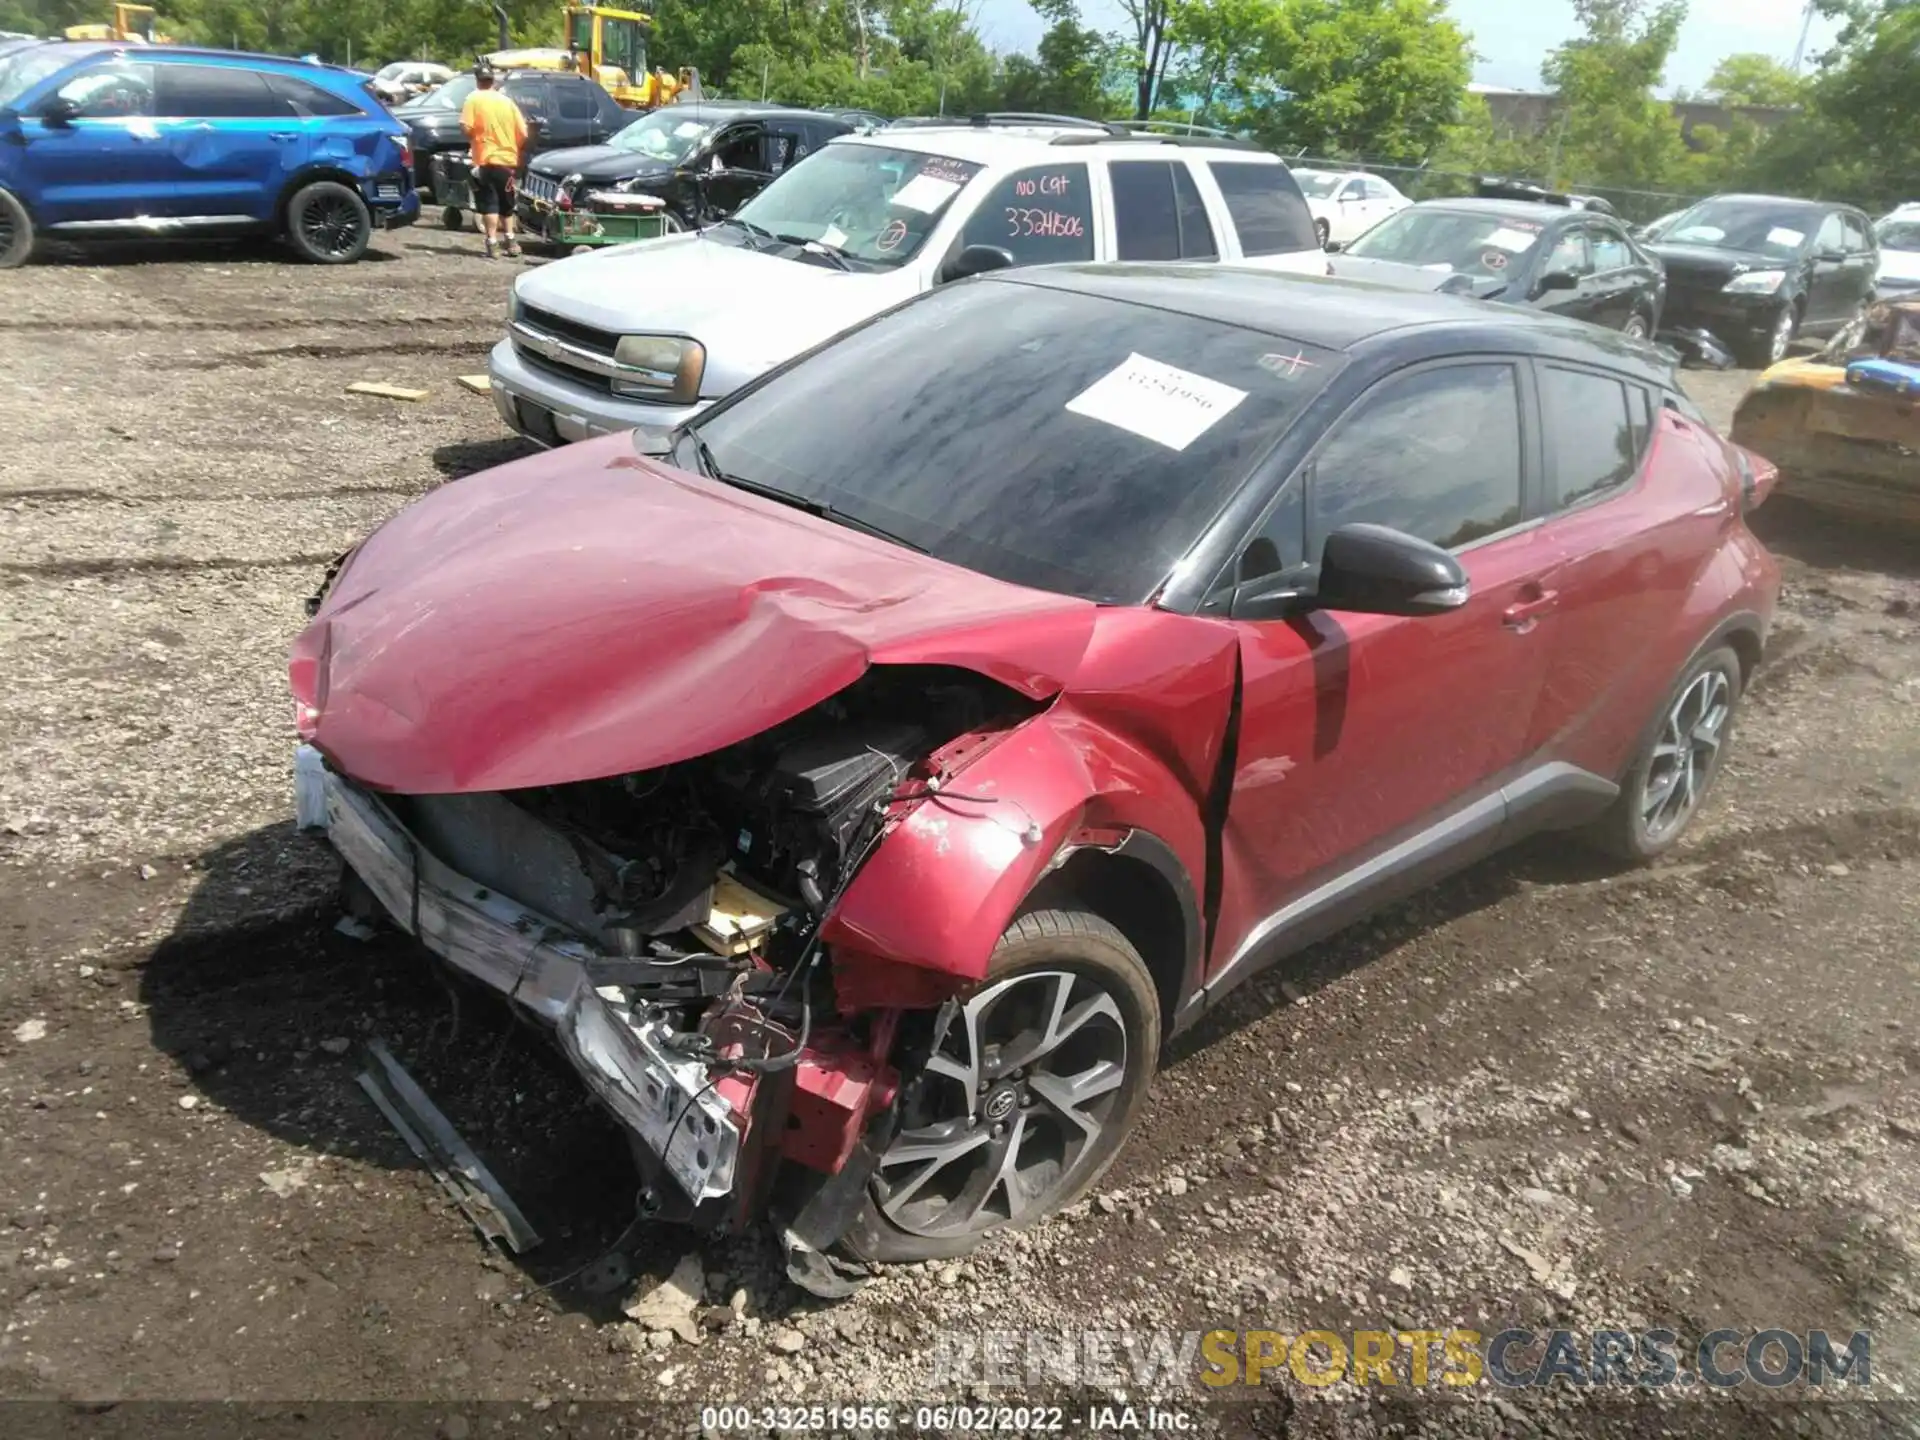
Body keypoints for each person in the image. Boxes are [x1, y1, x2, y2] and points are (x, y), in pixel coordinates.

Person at [458, 64, 528, 259]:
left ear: (478, 80)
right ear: (493, 81)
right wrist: (512, 146)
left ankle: (492, 243)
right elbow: (523, 133)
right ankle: (511, 240)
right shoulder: (508, 102)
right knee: (507, 203)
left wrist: (474, 138)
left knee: (489, 203)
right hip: (507, 161)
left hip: (485, 160)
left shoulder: (473, 99)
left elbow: (466, 127)